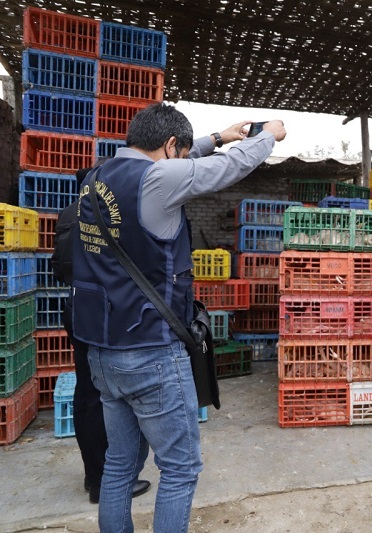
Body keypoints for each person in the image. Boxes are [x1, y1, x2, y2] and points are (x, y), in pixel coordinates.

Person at [70, 103, 286, 532]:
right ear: (169, 145)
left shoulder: (98, 176)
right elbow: (230, 168)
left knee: (118, 465)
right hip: (149, 349)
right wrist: (268, 137)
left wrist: (219, 137)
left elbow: (183, 161)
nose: (184, 160)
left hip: (102, 349)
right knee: (180, 469)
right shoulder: (158, 178)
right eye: (181, 152)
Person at [51, 166, 151, 504]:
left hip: (77, 308)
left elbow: (58, 267)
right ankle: (109, 481)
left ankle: (93, 474)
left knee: (87, 393)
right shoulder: (109, 216)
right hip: (107, 313)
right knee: (111, 396)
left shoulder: (65, 215)